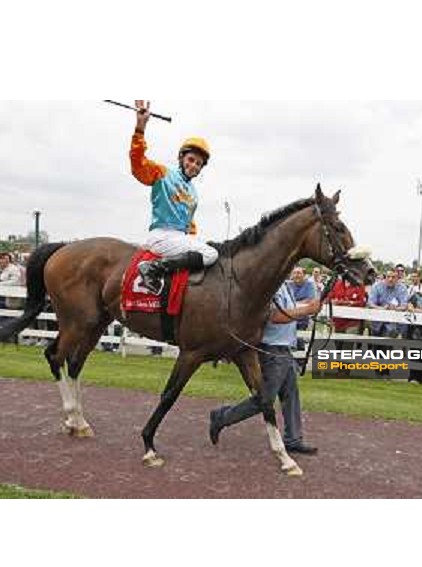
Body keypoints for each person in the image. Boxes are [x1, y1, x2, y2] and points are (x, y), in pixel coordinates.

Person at [209, 282, 321, 455]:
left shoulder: (286, 286)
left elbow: (289, 311)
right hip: (271, 349)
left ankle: (293, 439)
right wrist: (306, 310)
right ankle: (222, 417)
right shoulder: (270, 286)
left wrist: (308, 308)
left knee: (291, 396)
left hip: (285, 348)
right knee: (264, 400)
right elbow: (275, 316)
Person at [129, 99, 219, 291]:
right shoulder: (163, 173)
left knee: (208, 248)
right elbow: (138, 164)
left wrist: (194, 240)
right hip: (161, 236)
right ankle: (152, 269)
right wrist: (140, 127)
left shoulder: (194, 193)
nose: (194, 166)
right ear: (182, 158)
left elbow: (190, 226)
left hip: (179, 238)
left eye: (198, 164)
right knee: (211, 255)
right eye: (191, 160)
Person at [367, 269, 409, 338]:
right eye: (388, 277)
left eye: (393, 277)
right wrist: (382, 308)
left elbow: (404, 305)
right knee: (375, 345)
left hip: (394, 323)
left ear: (398, 278)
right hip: (377, 322)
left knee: (388, 343)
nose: (390, 279)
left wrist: (395, 308)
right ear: (385, 277)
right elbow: (370, 303)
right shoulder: (377, 286)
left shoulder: (402, 288)